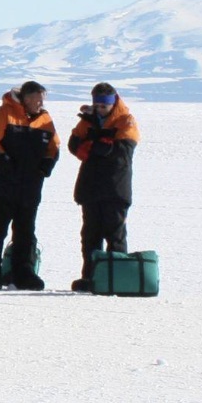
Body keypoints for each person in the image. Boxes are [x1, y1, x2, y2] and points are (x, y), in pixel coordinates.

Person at [0, 81, 58, 290]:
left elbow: (53, 147)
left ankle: (23, 274)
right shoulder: (3, 114)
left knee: (25, 232)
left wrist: (47, 164)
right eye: (37, 98)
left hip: (30, 188)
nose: (41, 102)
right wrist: (1, 160)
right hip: (2, 186)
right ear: (26, 98)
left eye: (43, 98)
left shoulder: (45, 120)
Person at [68, 82, 140, 290]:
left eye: (103, 106)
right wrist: (100, 143)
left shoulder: (126, 121)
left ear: (113, 103)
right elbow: (74, 145)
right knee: (90, 235)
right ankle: (91, 277)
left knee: (115, 234)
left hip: (115, 188)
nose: (99, 109)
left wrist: (95, 145)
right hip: (90, 187)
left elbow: (120, 152)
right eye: (97, 105)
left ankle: (116, 278)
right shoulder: (88, 121)